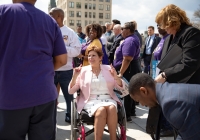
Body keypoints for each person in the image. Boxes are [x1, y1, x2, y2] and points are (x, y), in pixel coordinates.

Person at [0, 1, 67, 140]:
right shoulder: (50, 21)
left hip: (10, 96)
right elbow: (62, 60)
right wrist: (41, 70)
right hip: (45, 94)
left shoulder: (3, 12)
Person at [69, 46, 126, 140]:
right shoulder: (82, 70)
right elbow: (71, 90)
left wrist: (115, 76)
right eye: (89, 56)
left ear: (100, 57)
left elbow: (121, 87)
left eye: (93, 55)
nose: (91, 58)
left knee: (112, 108)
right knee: (101, 110)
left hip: (109, 98)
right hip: (90, 100)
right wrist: (75, 76)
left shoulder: (108, 69)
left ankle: (113, 138)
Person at [129, 73, 200, 140]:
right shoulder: (167, 90)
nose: (142, 105)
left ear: (144, 91)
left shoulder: (170, 104)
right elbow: (185, 132)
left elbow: (193, 137)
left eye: (138, 100)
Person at [49, 8, 81, 123]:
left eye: (51, 15)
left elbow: (77, 51)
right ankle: (49, 117)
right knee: (49, 97)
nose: (49, 17)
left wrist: (61, 48)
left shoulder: (69, 32)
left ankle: (69, 115)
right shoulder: (46, 30)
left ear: (59, 17)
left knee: (68, 96)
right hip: (50, 70)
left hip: (66, 71)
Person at [155, 4, 200, 84]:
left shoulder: (191, 33)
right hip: (170, 87)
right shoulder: (168, 38)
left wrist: (165, 75)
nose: (162, 27)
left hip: (187, 88)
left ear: (171, 20)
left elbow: (190, 63)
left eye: (162, 23)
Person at [113, 22, 141, 122]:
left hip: (127, 69)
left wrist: (120, 73)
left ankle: (126, 115)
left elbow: (127, 59)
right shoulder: (131, 39)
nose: (121, 31)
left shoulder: (130, 40)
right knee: (129, 90)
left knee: (126, 91)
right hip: (129, 68)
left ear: (128, 30)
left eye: (123, 29)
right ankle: (130, 112)